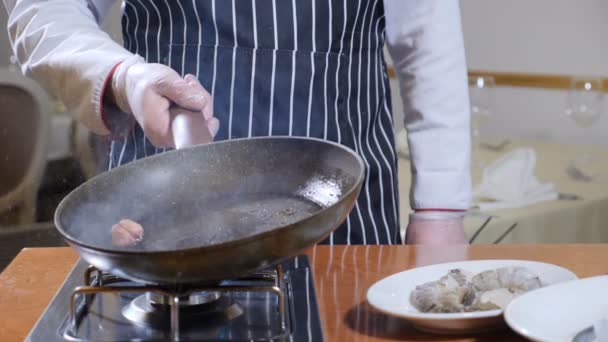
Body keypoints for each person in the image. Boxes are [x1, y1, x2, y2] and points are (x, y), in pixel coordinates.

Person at [4, 0, 471, 245]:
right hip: (159, 203)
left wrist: (440, 210)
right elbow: (44, 7)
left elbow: (428, 37)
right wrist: (126, 77)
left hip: (343, 208)